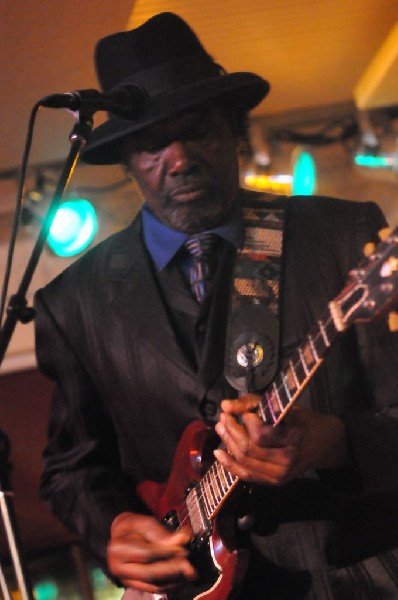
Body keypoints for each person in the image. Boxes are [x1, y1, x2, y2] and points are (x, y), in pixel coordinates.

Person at [34, 12, 398, 600]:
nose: (177, 159)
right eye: (152, 143)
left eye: (195, 130)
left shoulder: (344, 234)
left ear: (236, 129)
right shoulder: (74, 303)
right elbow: (71, 469)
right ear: (127, 158)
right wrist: (115, 527)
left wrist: (333, 441)